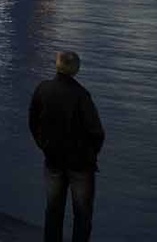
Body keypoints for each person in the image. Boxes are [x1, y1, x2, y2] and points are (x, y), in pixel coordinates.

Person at [29, 50, 105, 242]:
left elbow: (33, 121)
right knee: (82, 213)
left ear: (57, 65)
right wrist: (90, 154)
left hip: (53, 159)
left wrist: (43, 144)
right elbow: (96, 132)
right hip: (80, 163)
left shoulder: (43, 89)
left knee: (53, 209)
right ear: (76, 69)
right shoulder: (81, 96)